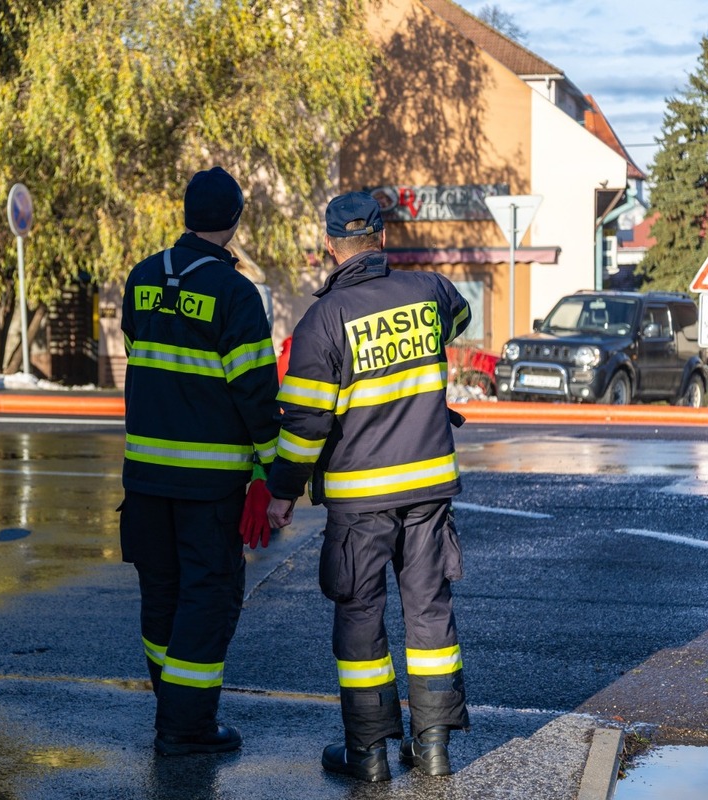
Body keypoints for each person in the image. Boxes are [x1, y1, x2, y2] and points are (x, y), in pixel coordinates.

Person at [266, 191, 472, 782]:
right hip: (429, 488)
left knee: (361, 616)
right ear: (381, 238)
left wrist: (282, 491)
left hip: (360, 501)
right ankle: (432, 750)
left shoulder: (321, 322)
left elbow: (306, 423)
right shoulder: (431, 293)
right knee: (430, 615)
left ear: (330, 247)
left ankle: (370, 756)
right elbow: (458, 321)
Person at [119, 166, 281, 756]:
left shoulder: (140, 278)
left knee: (161, 593)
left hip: (144, 479)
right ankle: (185, 728)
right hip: (208, 487)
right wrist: (273, 473)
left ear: (186, 213)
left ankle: (173, 707)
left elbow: (143, 356)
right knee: (207, 599)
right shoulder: (236, 295)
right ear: (235, 221)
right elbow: (256, 393)